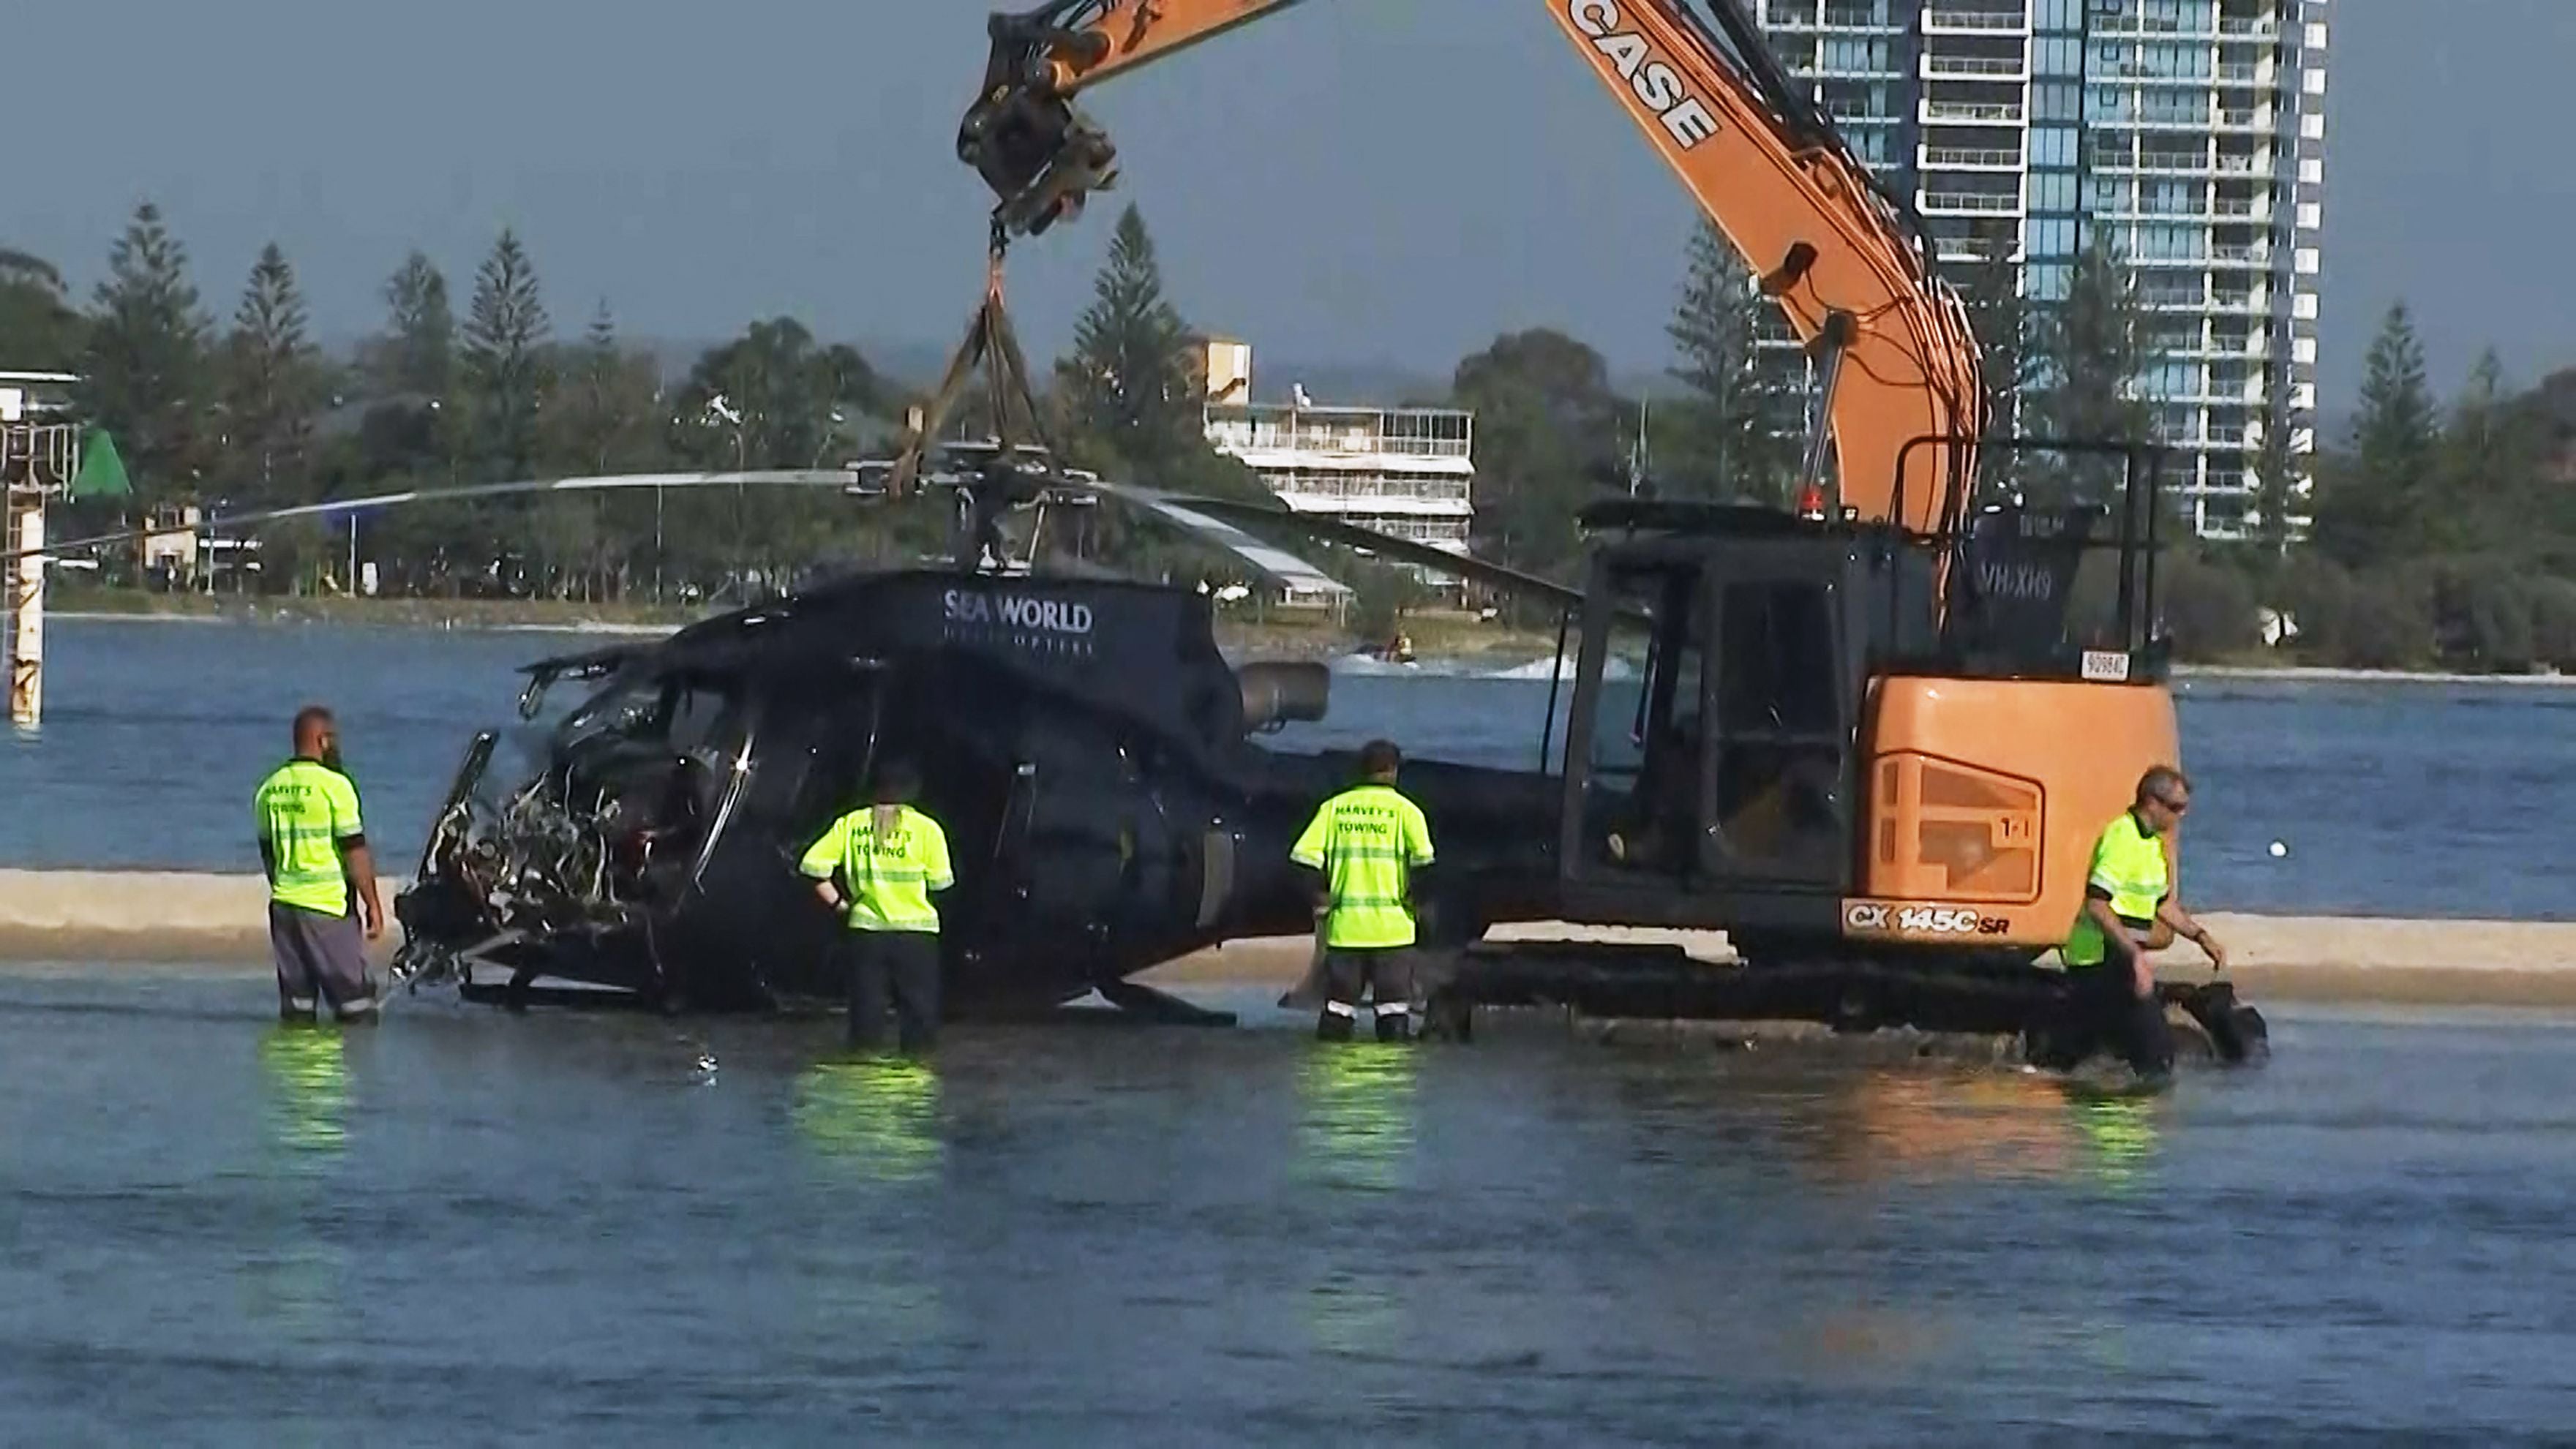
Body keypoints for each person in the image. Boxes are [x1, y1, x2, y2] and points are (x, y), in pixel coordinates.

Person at [2054, 764, 2229, 1078]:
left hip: (2120, 959)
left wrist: (2202, 937)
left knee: (2095, 1048)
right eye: (2176, 808)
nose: (2182, 816)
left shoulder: (2151, 845)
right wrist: (2134, 956)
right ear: (2152, 803)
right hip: (2098, 957)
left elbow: (2161, 904)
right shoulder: (2121, 837)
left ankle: (2091, 1105)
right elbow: (2097, 903)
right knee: (2156, 1053)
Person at [799, 758, 954, 1052]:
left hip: (866, 933)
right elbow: (941, 884)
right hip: (917, 935)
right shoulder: (926, 829)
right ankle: (914, 1082)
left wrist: (840, 906)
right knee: (919, 1018)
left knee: (866, 1018)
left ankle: (865, 1081)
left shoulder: (851, 824)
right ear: (913, 790)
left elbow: (812, 868)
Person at [1291, 739, 1436, 1042]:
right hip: (1393, 931)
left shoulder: (1334, 809)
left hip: (1347, 929)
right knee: (1393, 1013)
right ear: (1394, 771)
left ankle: (1338, 1081)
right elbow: (1425, 867)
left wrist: (1319, 897)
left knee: (1338, 1012)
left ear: (1360, 770)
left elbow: (1303, 859)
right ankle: (1391, 1081)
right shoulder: (1407, 812)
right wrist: (1419, 904)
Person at [253, 706, 384, 1024]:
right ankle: (351, 1074)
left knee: (297, 1011)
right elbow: (355, 853)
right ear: (322, 740)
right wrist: (374, 906)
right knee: (357, 1010)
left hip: (284, 907)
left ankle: (297, 1072)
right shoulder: (335, 787)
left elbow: (269, 856)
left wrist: (286, 890)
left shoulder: (269, 789)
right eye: (333, 739)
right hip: (327, 908)